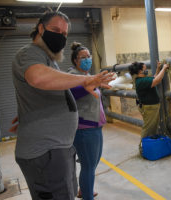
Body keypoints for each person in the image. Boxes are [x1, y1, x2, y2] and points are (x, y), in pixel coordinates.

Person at [11, 11, 113, 200]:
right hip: (46, 151)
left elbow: (51, 92)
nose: (61, 36)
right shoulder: (29, 53)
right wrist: (85, 80)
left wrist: (29, 113)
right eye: (55, 30)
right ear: (40, 28)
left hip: (56, 148)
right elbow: (37, 77)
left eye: (65, 34)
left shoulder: (48, 59)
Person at [67, 42, 106, 200]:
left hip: (95, 125)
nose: (87, 60)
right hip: (85, 128)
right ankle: (87, 196)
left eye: (89, 56)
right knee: (89, 166)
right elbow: (71, 94)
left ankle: (83, 191)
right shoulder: (72, 75)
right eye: (83, 57)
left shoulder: (89, 76)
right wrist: (92, 84)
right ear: (75, 60)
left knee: (92, 163)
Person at [128, 61, 169, 153]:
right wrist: (164, 68)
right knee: (148, 128)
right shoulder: (141, 81)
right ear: (139, 71)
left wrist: (158, 68)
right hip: (149, 108)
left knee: (152, 127)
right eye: (145, 69)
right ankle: (142, 148)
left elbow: (154, 78)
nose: (146, 71)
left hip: (150, 107)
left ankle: (149, 147)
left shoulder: (143, 79)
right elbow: (157, 80)